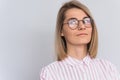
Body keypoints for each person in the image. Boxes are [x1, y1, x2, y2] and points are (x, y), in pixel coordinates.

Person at [40, 0, 120, 80]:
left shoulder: (108, 69)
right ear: (61, 31)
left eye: (86, 21)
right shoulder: (50, 73)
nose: (82, 26)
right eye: (73, 22)